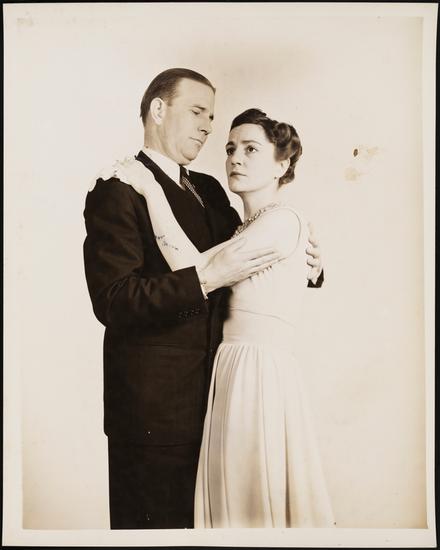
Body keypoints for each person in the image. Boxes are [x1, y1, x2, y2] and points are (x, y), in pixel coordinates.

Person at [83, 68, 323, 530]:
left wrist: (308, 263)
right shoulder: (116, 188)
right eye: (197, 112)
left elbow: (248, 259)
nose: (208, 128)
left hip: (223, 401)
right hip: (155, 414)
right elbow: (115, 300)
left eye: (211, 117)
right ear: (158, 110)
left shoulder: (210, 190)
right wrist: (205, 279)